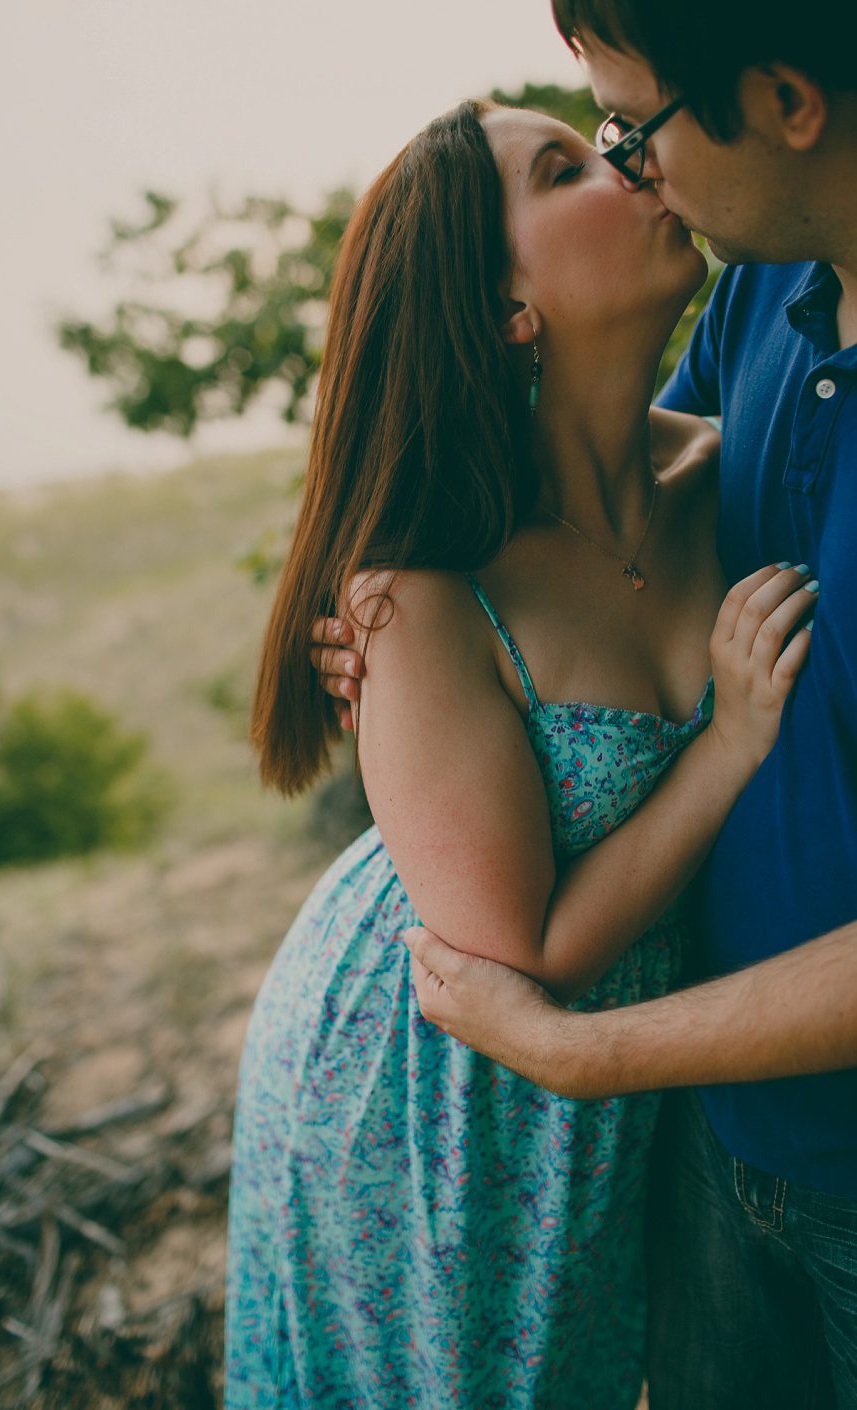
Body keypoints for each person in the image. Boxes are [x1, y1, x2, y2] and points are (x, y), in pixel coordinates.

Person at [226, 94, 814, 1409]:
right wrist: (724, 744)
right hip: (443, 1072)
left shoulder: (730, 472)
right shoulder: (425, 593)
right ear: (508, 310)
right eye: (567, 167)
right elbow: (526, 951)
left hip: (632, 1075)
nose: (630, 163)